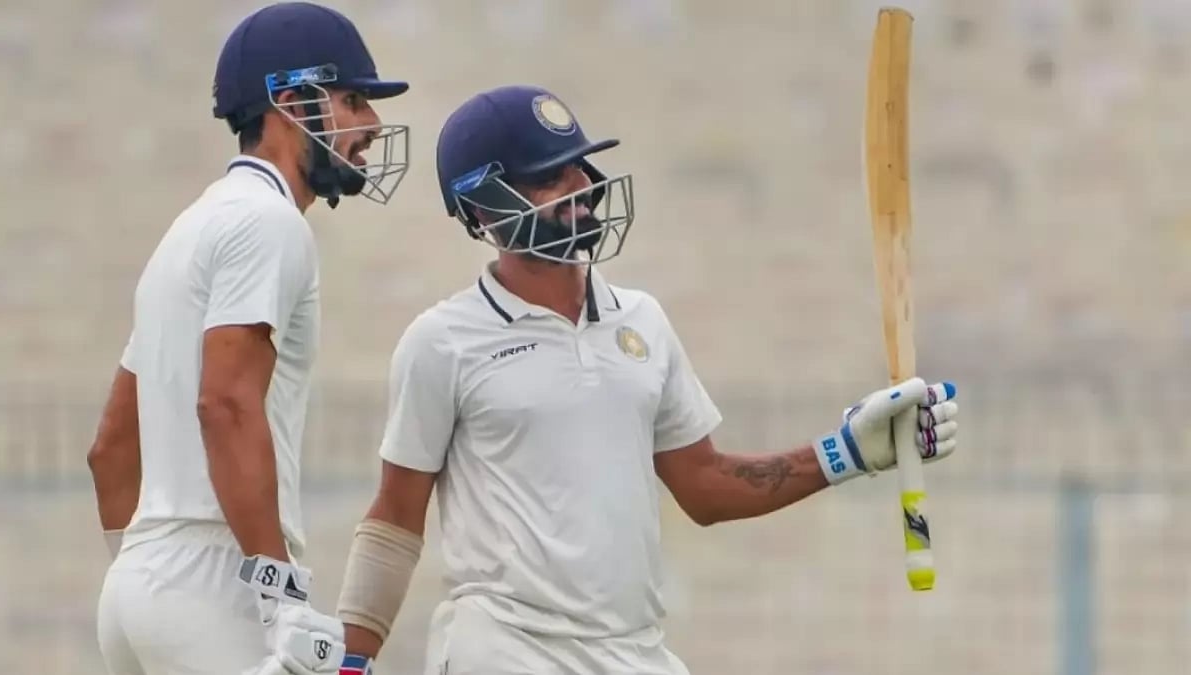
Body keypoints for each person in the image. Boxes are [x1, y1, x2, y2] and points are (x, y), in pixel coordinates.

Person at [329, 85, 961, 675]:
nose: (582, 187)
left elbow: (705, 487)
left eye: (580, 167)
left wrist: (845, 452)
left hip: (634, 651)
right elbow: (395, 521)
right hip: (504, 647)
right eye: (550, 175)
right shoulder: (442, 341)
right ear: (484, 204)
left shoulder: (641, 321)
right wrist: (351, 664)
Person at [86, 3, 411, 673]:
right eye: (352, 100)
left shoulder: (188, 228)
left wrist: (147, 580)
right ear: (291, 106)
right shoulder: (270, 222)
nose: (373, 125)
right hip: (217, 584)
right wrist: (280, 593)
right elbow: (227, 404)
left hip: (135, 588)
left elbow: (110, 450)